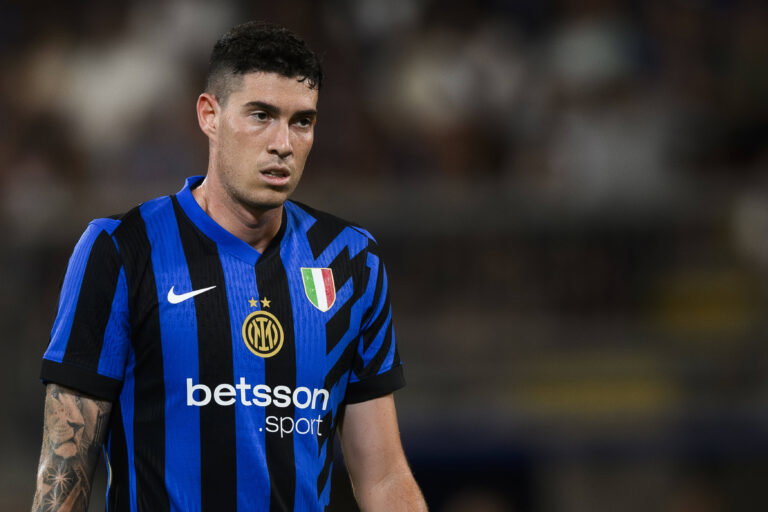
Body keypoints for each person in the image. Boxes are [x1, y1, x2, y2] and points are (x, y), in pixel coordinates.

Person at [32, 21, 427, 512]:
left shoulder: (350, 260)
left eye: (301, 121)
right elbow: (64, 467)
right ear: (209, 115)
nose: (282, 142)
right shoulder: (121, 250)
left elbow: (383, 476)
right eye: (261, 115)